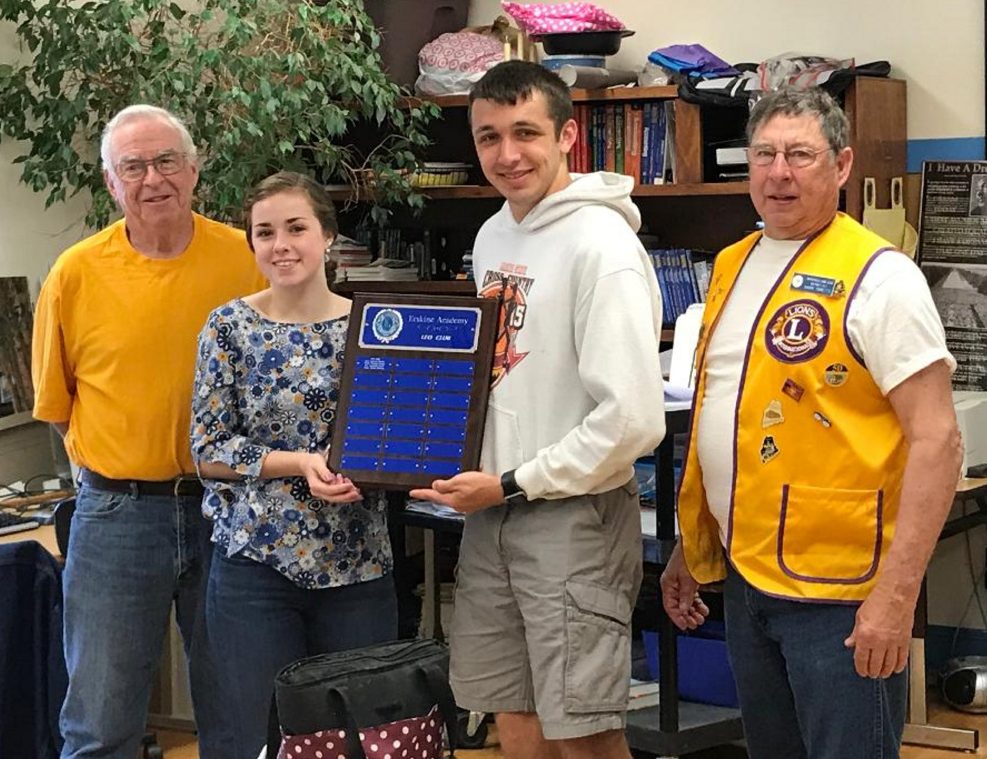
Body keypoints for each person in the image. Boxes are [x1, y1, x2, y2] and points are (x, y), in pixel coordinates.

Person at [660, 86, 962, 759]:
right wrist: (693, 541)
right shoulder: (733, 264)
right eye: (763, 154)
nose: (778, 172)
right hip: (747, 578)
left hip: (842, 594)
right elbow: (727, 410)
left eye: (799, 154)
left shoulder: (879, 277)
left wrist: (895, 596)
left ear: (842, 164)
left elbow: (938, 441)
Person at [410, 60, 665, 759]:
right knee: (513, 720)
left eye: (525, 132)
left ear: (567, 137)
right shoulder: (494, 234)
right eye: (488, 136)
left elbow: (632, 419)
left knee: (582, 729)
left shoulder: (600, 245)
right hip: (491, 510)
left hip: (568, 516)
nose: (507, 153)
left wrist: (516, 480)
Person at [31, 105, 266, 759]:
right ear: (112, 183)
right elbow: (56, 405)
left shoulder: (246, 260)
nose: (152, 178)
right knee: (101, 723)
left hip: (230, 512)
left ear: (193, 170)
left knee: (241, 716)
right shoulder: (75, 274)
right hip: (115, 515)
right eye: (132, 166)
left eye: (166, 161)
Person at [190, 171, 397, 759]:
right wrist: (301, 462)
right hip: (255, 570)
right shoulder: (228, 327)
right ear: (251, 243)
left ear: (328, 236)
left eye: (296, 227)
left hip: (358, 567)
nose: (280, 244)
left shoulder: (375, 326)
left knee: (360, 741)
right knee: (267, 739)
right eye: (264, 232)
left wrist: (377, 469)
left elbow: (399, 433)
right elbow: (206, 449)